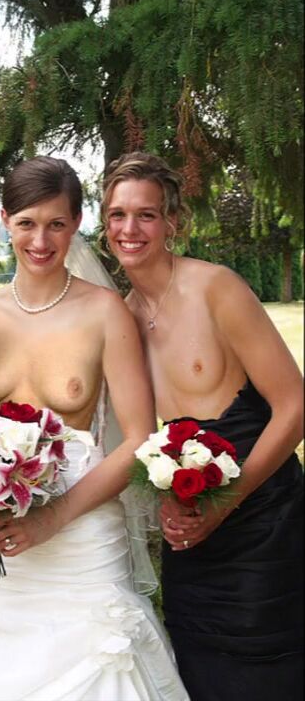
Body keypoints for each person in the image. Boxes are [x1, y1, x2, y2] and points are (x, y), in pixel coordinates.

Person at [0, 156, 190, 700]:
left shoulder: (105, 313)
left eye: (56, 223)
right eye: (27, 223)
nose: (41, 240)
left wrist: (51, 517)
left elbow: (139, 439)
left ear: (76, 223)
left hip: (82, 538)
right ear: (5, 219)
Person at [102, 151, 304, 701]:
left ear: (172, 221)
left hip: (263, 519)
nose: (130, 229)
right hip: (193, 526)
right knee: (199, 665)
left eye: (146, 214)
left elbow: (294, 406)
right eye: (118, 214)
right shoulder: (122, 317)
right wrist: (176, 503)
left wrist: (226, 502)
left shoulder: (216, 288)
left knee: (267, 669)